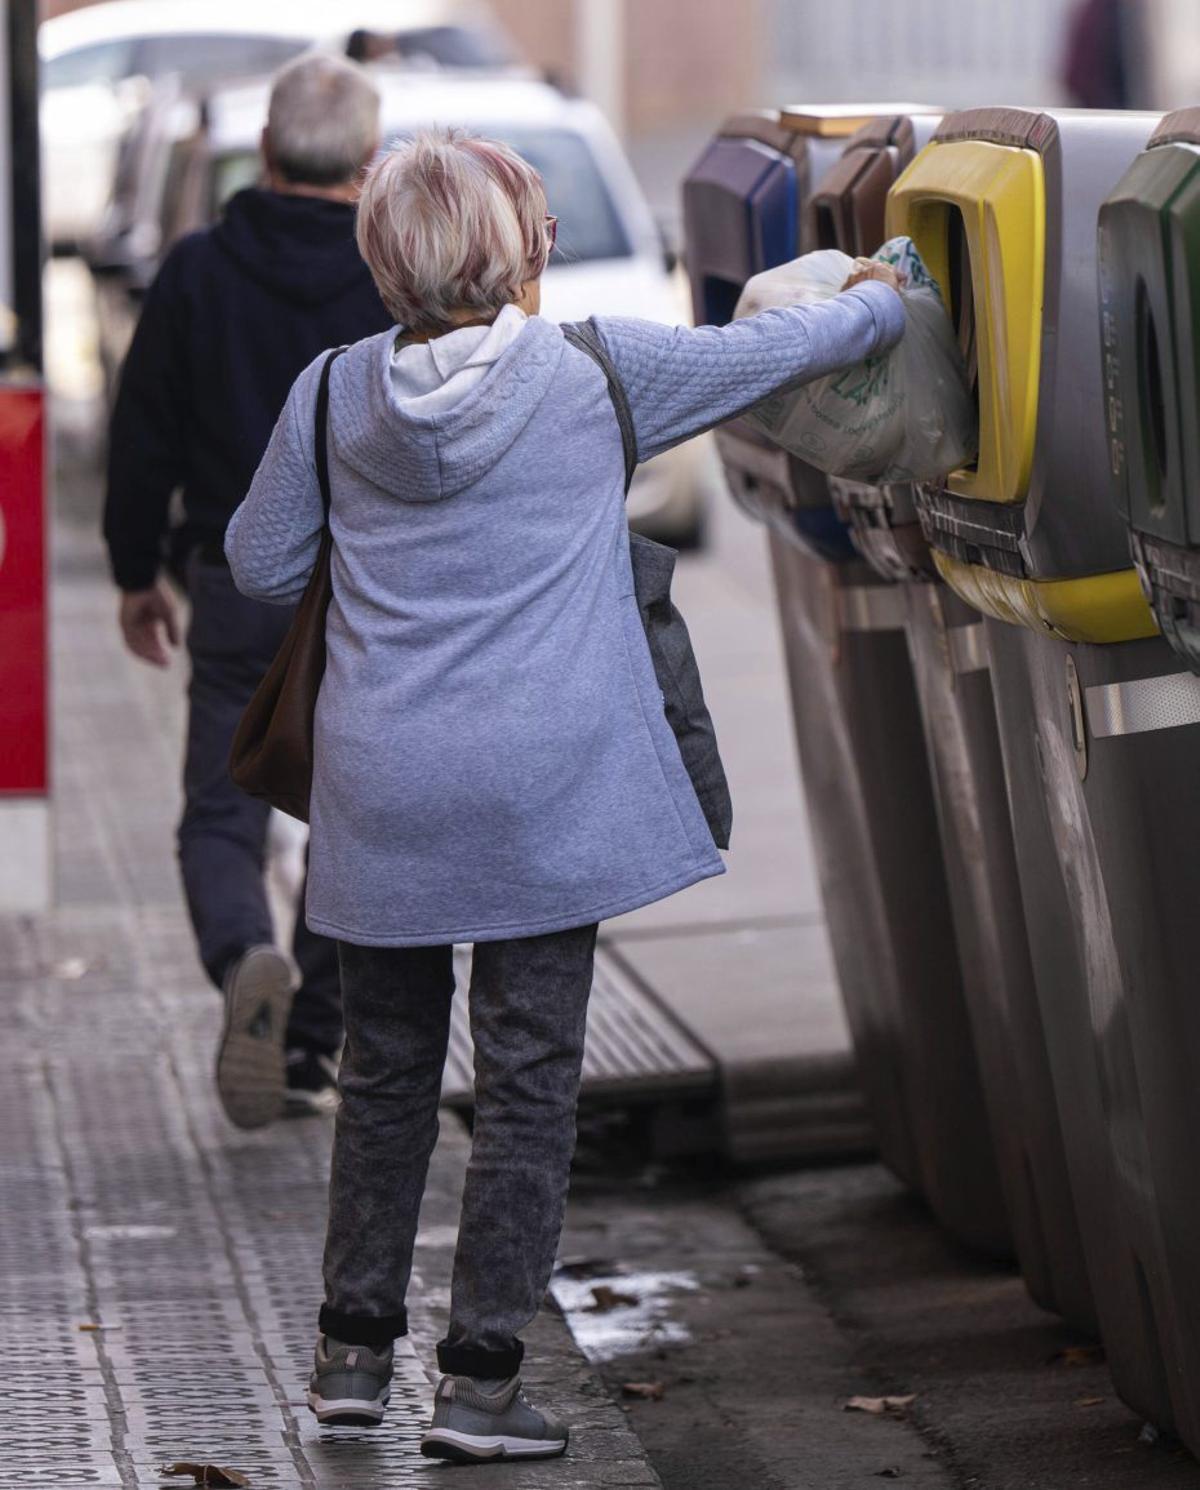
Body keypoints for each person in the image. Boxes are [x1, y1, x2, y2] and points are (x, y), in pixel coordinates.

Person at [225, 128, 905, 1462]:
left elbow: (259, 562)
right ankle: (480, 1382)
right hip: (544, 789)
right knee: (529, 1079)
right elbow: (775, 352)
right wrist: (887, 301)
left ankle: (351, 1358)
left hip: (384, 790)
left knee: (386, 1071)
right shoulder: (595, 369)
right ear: (514, 251)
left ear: (384, 262)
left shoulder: (332, 391)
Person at [102, 55, 393, 1128]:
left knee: (221, 814)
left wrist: (136, 571)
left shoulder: (195, 270)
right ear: (370, 162)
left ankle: (243, 958)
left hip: (235, 585)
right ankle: (310, 1043)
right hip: (368, 593)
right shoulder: (390, 275)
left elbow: (141, 434)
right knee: (353, 817)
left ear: (263, 152)